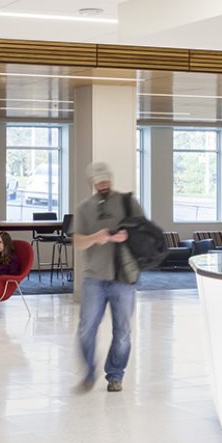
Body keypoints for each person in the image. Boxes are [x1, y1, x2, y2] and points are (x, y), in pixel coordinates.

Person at [74, 161, 144, 392]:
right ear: (92, 182)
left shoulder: (128, 202)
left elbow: (144, 232)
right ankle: (89, 373)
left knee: (122, 332)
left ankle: (115, 375)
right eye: (99, 180)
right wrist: (96, 237)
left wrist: (127, 235)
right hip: (94, 278)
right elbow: (77, 241)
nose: (104, 184)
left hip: (123, 278)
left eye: (107, 179)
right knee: (86, 329)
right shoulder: (84, 208)